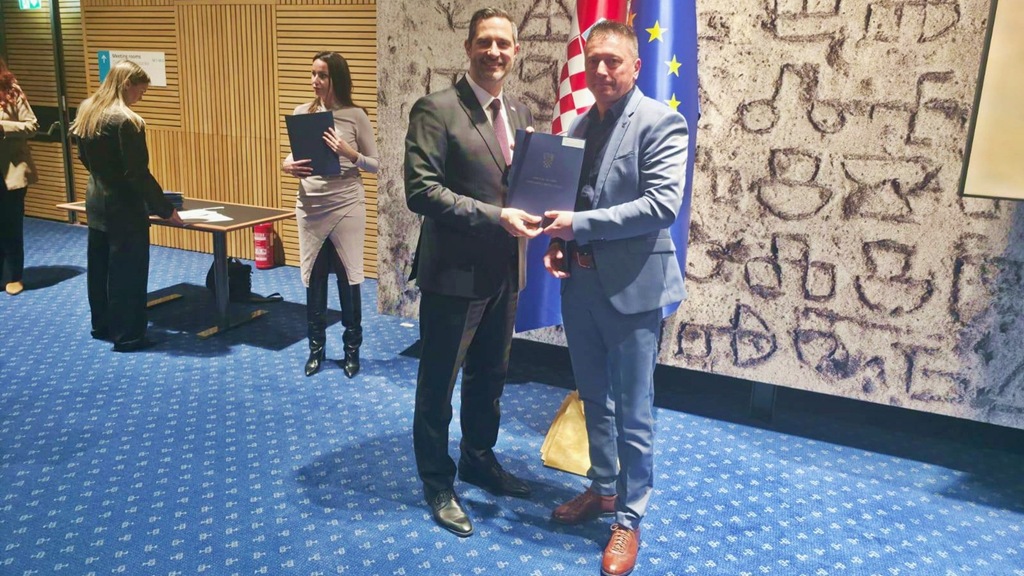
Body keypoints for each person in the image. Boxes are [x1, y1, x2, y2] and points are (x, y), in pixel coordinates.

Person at [541, 21, 689, 576]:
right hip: (579, 286)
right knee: (592, 398)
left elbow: (661, 206)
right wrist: (559, 243)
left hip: (633, 289)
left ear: (635, 66)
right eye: (594, 61)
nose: (601, 70)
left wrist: (577, 225)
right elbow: (574, 200)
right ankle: (603, 490)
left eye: (613, 61)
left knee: (633, 410)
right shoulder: (581, 124)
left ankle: (629, 516)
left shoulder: (661, 121)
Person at [404, 7, 543, 538]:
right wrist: (496, 216)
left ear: (516, 51)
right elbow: (422, 191)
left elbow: (523, 186)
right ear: (468, 48)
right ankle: (437, 481)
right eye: (485, 42)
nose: (494, 52)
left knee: (490, 376)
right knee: (438, 384)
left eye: (504, 44)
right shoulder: (435, 109)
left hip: (506, 270)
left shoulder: (521, 113)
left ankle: (479, 458)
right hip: (453, 274)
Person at [71, 60, 183, 352]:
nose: (141, 98)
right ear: (126, 85)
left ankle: (102, 325)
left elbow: (82, 156)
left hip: (96, 199)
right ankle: (129, 335)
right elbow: (137, 173)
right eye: (140, 92)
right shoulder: (127, 121)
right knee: (128, 273)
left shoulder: (87, 110)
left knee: (100, 269)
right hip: (124, 207)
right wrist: (165, 209)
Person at [283, 51, 379, 379]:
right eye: (313, 74)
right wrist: (287, 165)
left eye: (322, 75)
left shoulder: (355, 115)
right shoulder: (303, 112)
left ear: (336, 78)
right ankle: (316, 349)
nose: (315, 81)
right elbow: (293, 155)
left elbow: (377, 165)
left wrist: (350, 153)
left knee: (348, 278)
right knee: (314, 278)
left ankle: (352, 350)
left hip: (346, 205)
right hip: (310, 205)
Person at [0, 57, 39, 296]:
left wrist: (3, 126)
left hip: (10, 171)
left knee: (10, 224)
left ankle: (14, 275)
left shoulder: (11, 91)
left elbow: (32, 125)